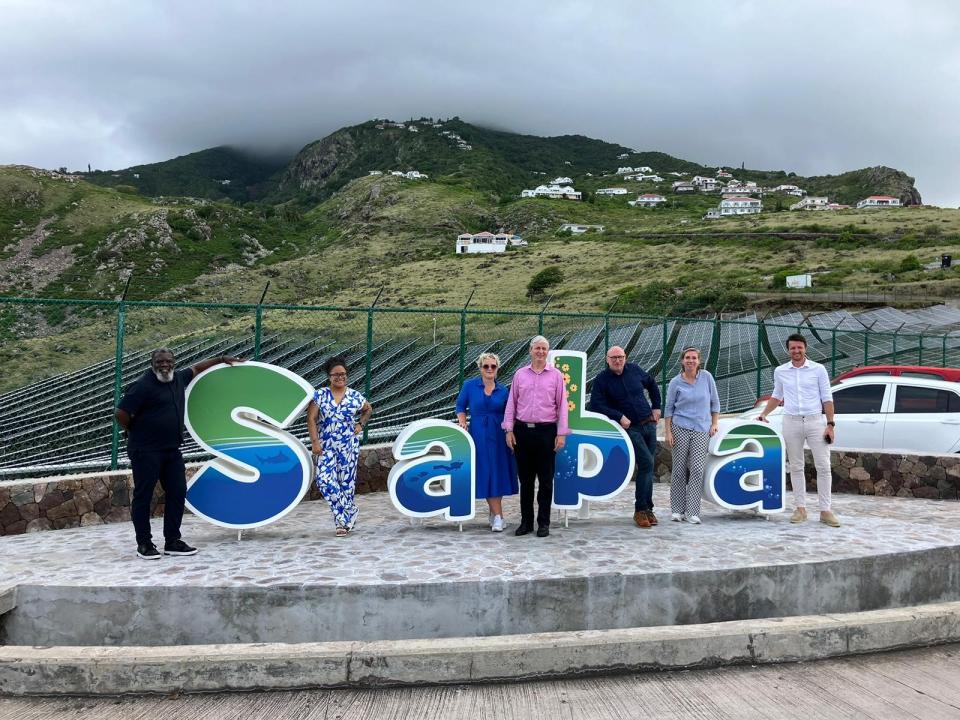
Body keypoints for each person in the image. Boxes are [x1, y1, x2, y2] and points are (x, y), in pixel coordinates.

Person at [115, 348, 242, 560]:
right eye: (160, 361)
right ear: (152, 363)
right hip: (145, 451)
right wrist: (131, 430)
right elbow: (121, 413)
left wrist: (221, 359)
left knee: (178, 491)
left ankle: (172, 541)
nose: (164, 365)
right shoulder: (143, 386)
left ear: (174, 362)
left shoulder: (178, 378)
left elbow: (197, 368)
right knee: (143, 497)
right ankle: (144, 544)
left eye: (168, 361)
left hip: (171, 450)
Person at [757, 333, 839, 527]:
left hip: (815, 421)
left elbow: (827, 397)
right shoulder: (781, 371)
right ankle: (800, 508)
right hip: (791, 421)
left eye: (799, 347)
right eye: (792, 348)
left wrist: (830, 424)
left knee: (823, 466)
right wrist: (764, 413)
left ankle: (825, 511)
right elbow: (777, 396)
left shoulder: (818, 370)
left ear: (805, 348)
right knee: (795, 466)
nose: (796, 351)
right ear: (788, 350)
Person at [589, 345, 663, 528]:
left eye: (620, 357)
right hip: (631, 428)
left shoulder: (635, 370)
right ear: (607, 359)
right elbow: (596, 405)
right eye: (613, 357)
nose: (617, 360)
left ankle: (648, 509)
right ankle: (640, 510)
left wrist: (656, 407)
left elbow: (652, 384)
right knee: (647, 463)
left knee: (648, 467)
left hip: (649, 424)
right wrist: (618, 416)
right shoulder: (602, 379)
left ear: (625, 357)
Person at [503, 335, 569, 537]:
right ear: (530, 351)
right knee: (526, 481)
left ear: (547, 352)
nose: (540, 352)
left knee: (546, 481)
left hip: (546, 433)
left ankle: (543, 523)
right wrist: (509, 429)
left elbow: (563, 407)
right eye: (537, 348)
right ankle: (526, 522)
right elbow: (511, 404)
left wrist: (561, 434)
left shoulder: (556, 375)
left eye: (544, 348)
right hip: (522, 432)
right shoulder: (520, 375)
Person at [308, 356, 373, 537]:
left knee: (346, 484)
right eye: (336, 375)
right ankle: (350, 509)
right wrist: (315, 442)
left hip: (348, 446)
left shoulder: (354, 396)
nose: (340, 377)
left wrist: (360, 424)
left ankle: (342, 523)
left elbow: (368, 409)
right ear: (329, 376)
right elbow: (311, 419)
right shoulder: (320, 395)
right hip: (326, 446)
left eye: (343, 374)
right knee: (324, 481)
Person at [455, 352, 519, 532]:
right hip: (478, 436)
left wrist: (510, 432)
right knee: (485, 472)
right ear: (480, 368)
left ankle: (496, 515)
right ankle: (497, 516)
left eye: (493, 366)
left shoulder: (504, 390)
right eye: (486, 366)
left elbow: (509, 414)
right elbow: (460, 406)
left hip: (499, 436)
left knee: (497, 473)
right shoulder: (469, 386)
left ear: (498, 368)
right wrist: (462, 421)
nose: (490, 369)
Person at [663, 346, 720, 524]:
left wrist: (715, 423)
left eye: (694, 358)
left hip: (702, 429)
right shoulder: (675, 382)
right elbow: (669, 408)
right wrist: (668, 431)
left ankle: (693, 511)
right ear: (682, 361)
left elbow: (714, 402)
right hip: (680, 427)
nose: (691, 361)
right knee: (679, 470)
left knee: (696, 469)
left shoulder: (707, 378)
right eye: (687, 358)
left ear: (699, 361)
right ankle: (677, 510)